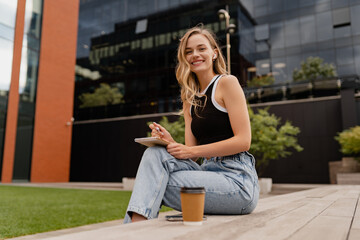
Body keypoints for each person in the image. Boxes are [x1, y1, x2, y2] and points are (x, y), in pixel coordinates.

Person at [123, 24, 259, 224]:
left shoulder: (227, 83)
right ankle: (136, 227)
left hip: (237, 181)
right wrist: (169, 142)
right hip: (205, 173)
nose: (195, 54)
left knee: (152, 183)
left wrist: (190, 152)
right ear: (185, 58)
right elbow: (192, 153)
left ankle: (132, 230)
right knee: (154, 153)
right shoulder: (189, 98)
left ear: (214, 53)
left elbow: (243, 141)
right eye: (189, 51)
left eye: (201, 48)